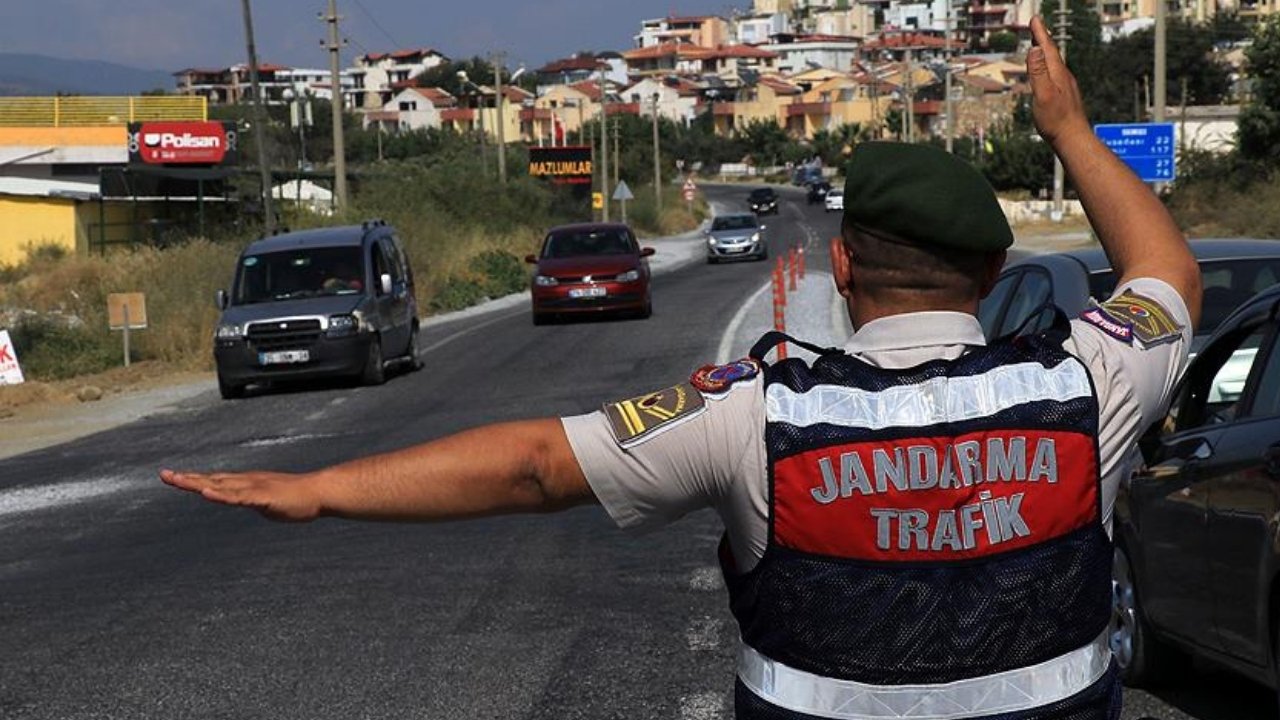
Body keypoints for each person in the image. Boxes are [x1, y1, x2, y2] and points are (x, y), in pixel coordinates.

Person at [161, 17, 1201, 720]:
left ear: (840, 264)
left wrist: (320, 490)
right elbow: (1162, 271)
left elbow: (532, 467)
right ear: (987, 270)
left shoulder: (755, 415)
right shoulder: (1084, 385)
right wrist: (1064, 128)